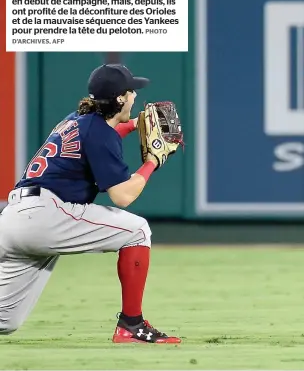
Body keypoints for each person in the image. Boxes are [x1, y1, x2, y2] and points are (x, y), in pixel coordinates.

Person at [0, 64, 181, 344]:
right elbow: (123, 196)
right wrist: (152, 162)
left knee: (5, 320)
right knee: (138, 230)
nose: (134, 96)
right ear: (120, 98)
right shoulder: (99, 132)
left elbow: (99, 141)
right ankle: (131, 324)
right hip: (45, 216)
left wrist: (133, 125)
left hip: (13, 218)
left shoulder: (76, 120)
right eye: (131, 91)